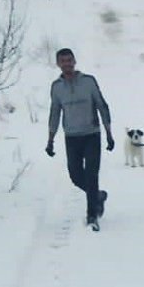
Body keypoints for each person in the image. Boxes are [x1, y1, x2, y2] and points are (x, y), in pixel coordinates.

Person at [45, 48, 115, 228]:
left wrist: (109, 133)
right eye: (63, 61)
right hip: (72, 137)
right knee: (76, 176)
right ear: (58, 64)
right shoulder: (57, 87)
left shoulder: (88, 82)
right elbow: (55, 113)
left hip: (91, 134)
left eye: (69, 60)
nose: (67, 64)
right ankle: (97, 195)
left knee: (92, 174)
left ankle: (92, 216)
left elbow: (102, 105)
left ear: (74, 61)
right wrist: (50, 140)